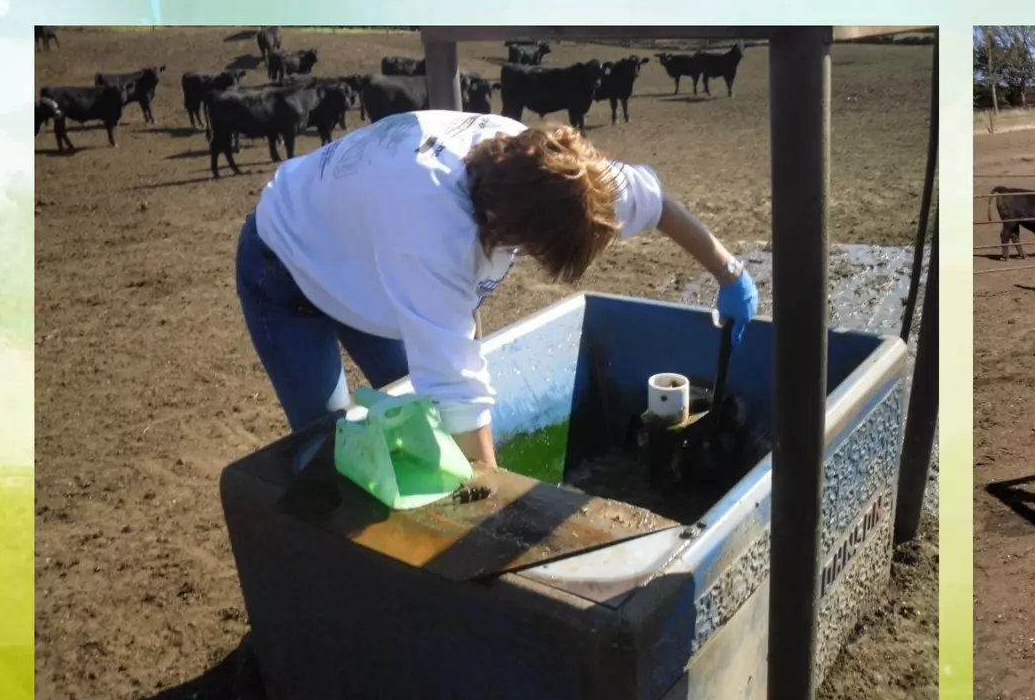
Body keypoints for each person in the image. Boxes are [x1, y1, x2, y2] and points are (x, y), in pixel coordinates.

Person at [235, 109, 759, 466]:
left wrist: (729, 273)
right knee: (332, 447)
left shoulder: (557, 173)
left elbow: (657, 203)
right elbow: (459, 392)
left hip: (368, 260)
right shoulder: (434, 231)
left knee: (425, 433)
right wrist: (496, 512)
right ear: (505, 228)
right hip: (285, 265)